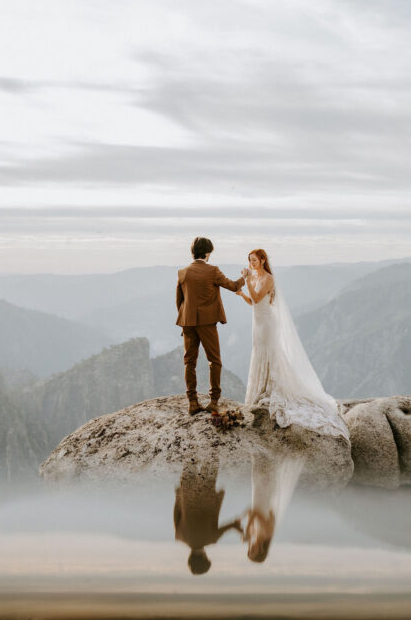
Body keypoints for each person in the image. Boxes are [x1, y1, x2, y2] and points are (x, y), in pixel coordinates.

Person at [234, 249, 349, 438]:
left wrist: (246, 280)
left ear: (262, 260)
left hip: (267, 324)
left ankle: (271, 387)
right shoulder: (255, 277)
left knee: (270, 353)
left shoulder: (268, 278)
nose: (251, 263)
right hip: (258, 323)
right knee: (259, 352)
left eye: (254, 260)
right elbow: (253, 303)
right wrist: (241, 294)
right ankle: (260, 389)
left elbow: (257, 297)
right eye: (250, 260)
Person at [176, 236, 246, 416]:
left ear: (193, 252)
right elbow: (233, 286)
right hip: (207, 323)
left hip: (188, 322)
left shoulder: (182, 272)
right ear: (207, 253)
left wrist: (184, 321)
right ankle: (214, 401)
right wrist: (244, 278)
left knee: (189, 362)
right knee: (214, 361)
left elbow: (180, 301)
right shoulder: (213, 271)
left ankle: (192, 402)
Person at [173, 454, 241, 575]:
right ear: (190, 558)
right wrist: (179, 494)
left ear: (205, 557)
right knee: (190, 458)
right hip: (188, 493)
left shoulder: (212, 539)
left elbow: (232, 525)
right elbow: (176, 512)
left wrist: (240, 529)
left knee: (212, 456)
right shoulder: (179, 536)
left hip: (207, 492)